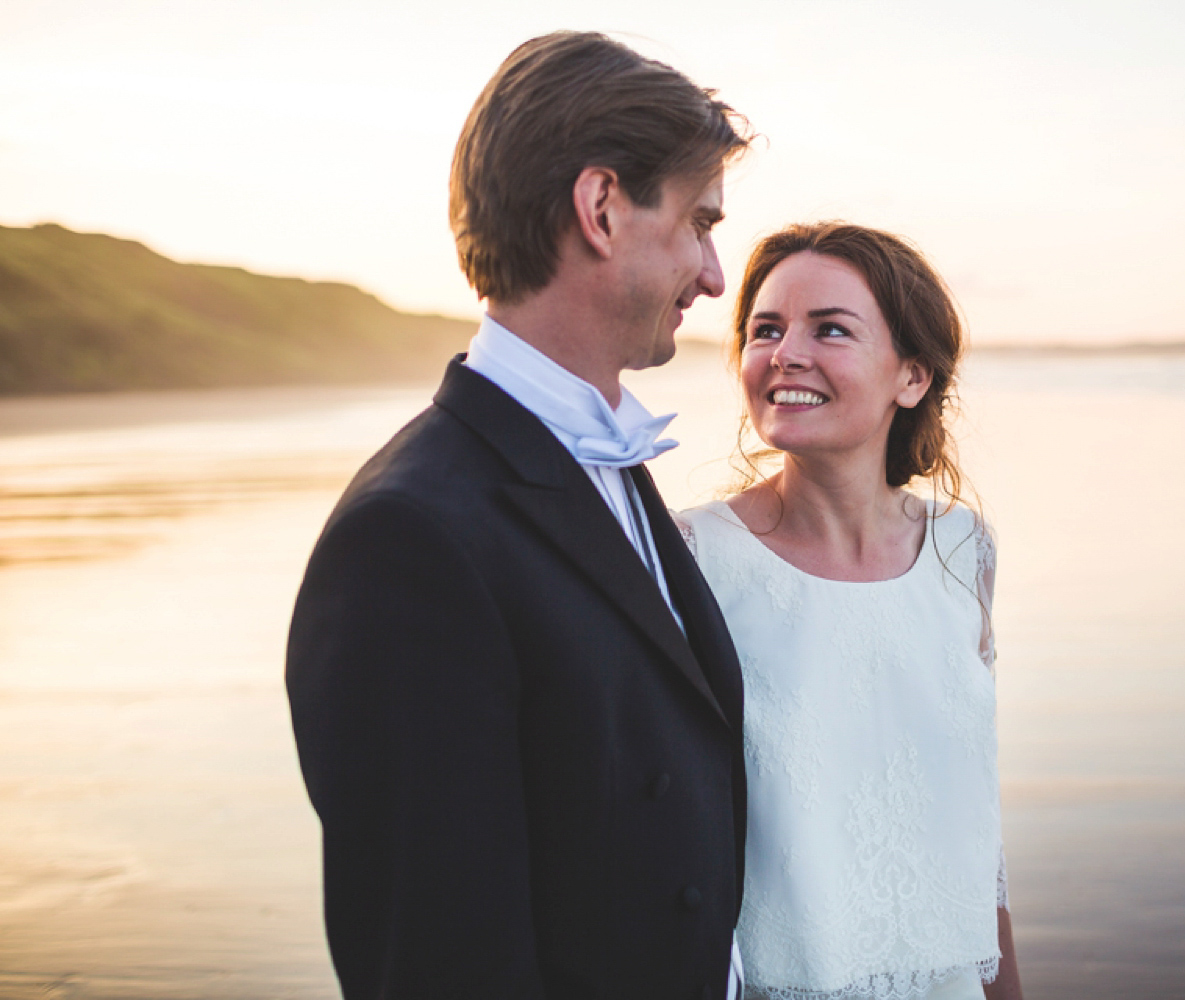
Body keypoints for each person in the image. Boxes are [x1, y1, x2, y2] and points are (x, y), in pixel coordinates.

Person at [286, 32, 752, 1000]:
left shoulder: (605, 460)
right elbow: (437, 962)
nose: (714, 276)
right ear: (601, 208)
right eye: (699, 224)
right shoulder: (408, 539)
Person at [676, 223, 1024, 1000]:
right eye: (765, 330)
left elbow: (974, 822)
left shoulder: (966, 550)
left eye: (829, 329)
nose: (784, 353)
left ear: (912, 376)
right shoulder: (694, 559)